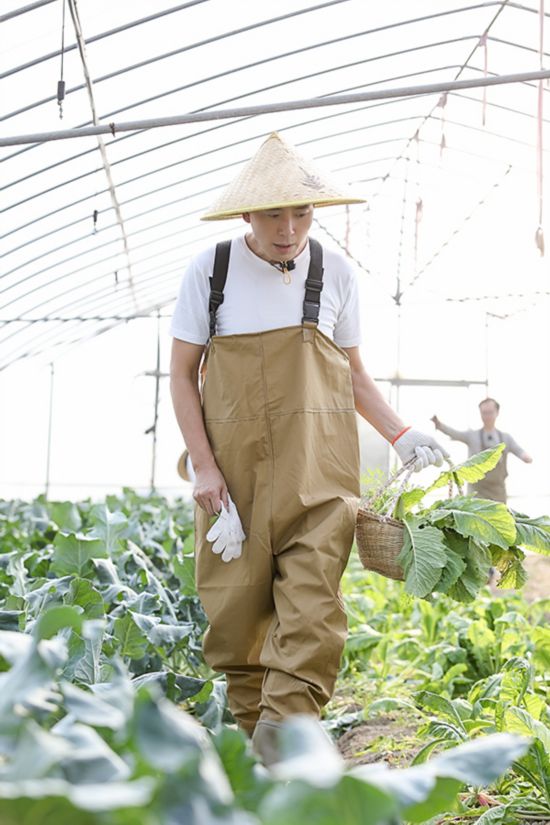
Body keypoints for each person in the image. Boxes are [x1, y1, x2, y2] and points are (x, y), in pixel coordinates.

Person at [169, 132, 447, 764]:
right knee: (236, 623)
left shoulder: (334, 272)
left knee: (313, 614)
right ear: (247, 214)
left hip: (319, 476)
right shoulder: (210, 272)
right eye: (273, 213)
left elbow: (350, 373)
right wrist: (205, 471)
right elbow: (183, 377)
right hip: (231, 485)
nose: (289, 228)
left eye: (301, 212)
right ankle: (261, 758)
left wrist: (401, 433)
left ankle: (286, 751)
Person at [432, 398, 532, 503]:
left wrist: (526, 457)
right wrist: (439, 425)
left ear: (497, 413)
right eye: (484, 413)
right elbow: (454, 433)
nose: (487, 416)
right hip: (477, 490)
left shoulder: (505, 438)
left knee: (498, 517)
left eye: (490, 412)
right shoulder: (472, 436)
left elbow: (519, 450)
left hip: (498, 491)